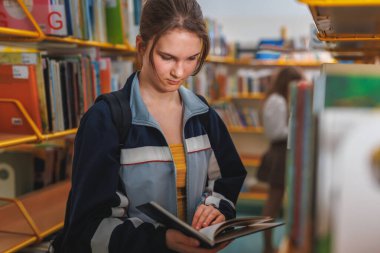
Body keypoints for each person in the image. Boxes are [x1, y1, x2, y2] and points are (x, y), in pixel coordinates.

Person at [51, 0, 247, 252]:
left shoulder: (204, 114)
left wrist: (216, 211)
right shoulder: (104, 120)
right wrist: (161, 240)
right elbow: (88, 227)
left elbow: (227, 179)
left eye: (191, 59)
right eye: (167, 57)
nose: (179, 72)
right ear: (141, 47)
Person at [260, 67, 303, 253]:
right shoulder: (277, 101)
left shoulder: (281, 99)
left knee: (278, 201)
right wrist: (301, 129)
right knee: (273, 202)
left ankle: (274, 245)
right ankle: (267, 246)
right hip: (280, 153)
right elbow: (276, 132)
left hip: (285, 152)